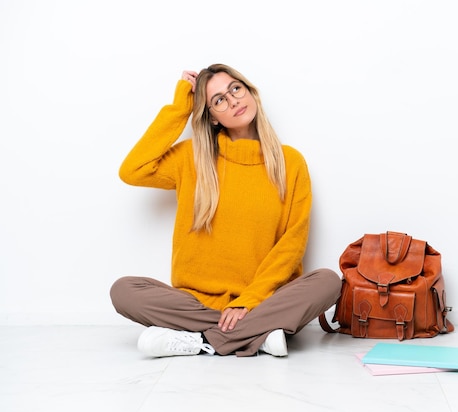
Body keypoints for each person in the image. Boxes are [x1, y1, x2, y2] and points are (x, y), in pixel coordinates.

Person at [110, 64, 342, 358]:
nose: (233, 100)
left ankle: (202, 340)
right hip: (197, 304)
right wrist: (181, 108)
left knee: (328, 282)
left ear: (249, 92)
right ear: (212, 118)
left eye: (236, 89)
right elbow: (132, 170)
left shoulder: (290, 162)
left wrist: (249, 300)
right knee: (124, 290)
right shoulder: (192, 158)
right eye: (218, 100)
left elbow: (292, 243)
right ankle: (258, 335)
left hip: (262, 300)